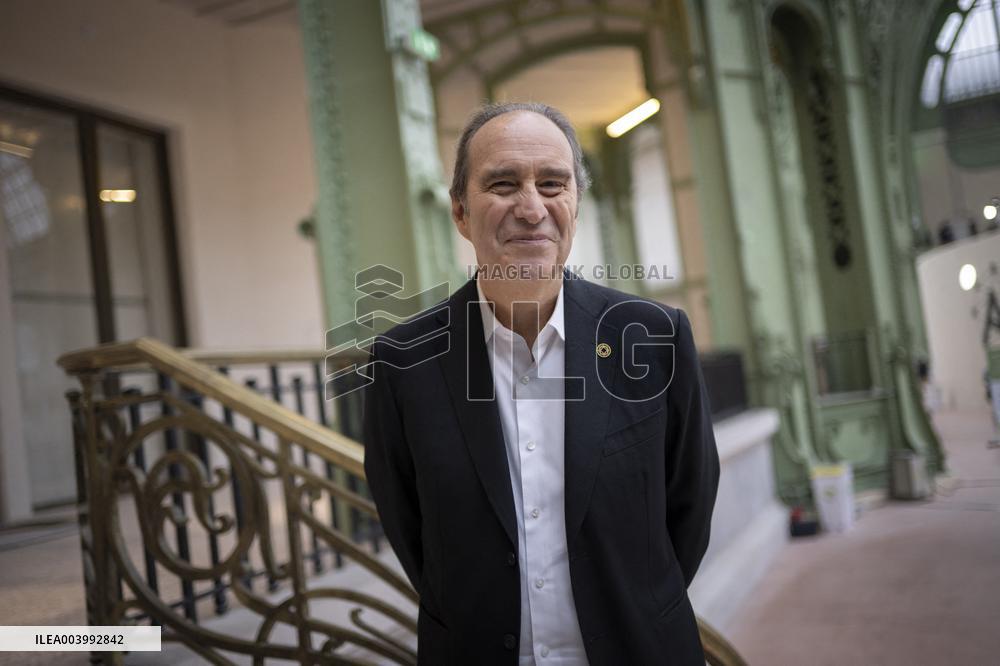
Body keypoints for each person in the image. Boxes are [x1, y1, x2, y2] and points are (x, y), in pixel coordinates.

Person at [363, 102, 720, 665]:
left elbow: (689, 508)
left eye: (552, 184)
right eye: (503, 184)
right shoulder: (403, 362)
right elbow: (411, 531)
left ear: (576, 203)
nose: (531, 208)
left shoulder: (653, 338)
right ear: (460, 211)